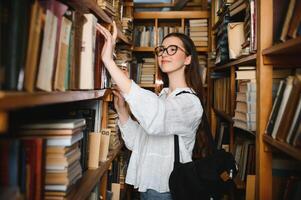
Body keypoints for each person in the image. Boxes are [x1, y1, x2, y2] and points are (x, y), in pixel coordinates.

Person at [98, 21, 206, 200]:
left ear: (188, 59)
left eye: (172, 49)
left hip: (167, 190)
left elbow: (158, 117)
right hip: (148, 187)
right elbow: (137, 143)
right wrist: (122, 110)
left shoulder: (190, 103)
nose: (164, 54)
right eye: (162, 49)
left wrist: (109, 61)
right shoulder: (162, 98)